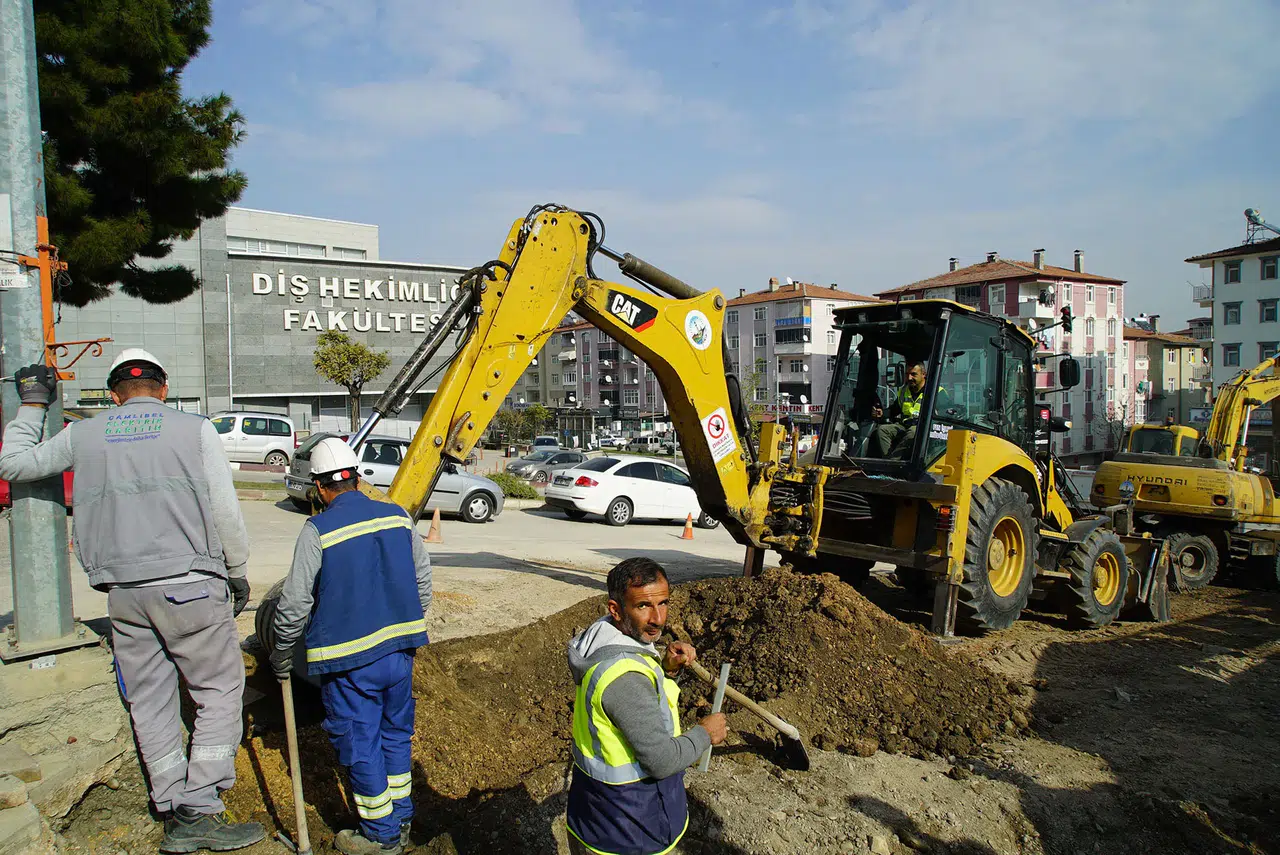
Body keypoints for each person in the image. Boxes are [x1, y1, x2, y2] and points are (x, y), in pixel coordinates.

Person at [0, 351, 261, 853]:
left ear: (114, 394)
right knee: (220, 688)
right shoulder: (194, 430)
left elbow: (13, 464)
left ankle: (169, 801)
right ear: (163, 389)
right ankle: (200, 805)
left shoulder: (85, 434)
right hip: (190, 584)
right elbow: (225, 510)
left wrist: (33, 403)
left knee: (149, 698)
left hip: (124, 595)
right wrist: (237, 570)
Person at [269, 438, 433, 855]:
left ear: (320, 488)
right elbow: (422, 586)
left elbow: (295, 603)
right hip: (399, 654)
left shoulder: (317, 529)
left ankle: (381, 837)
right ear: (358, 480)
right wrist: (398, 623)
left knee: (361, 743)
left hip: (349, 662)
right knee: (395, 736)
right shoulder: (398, 517)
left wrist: (283, 651)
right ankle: (402, 820)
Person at [565, 558, 728, 855]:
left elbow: (630, 703)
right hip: (627, 830)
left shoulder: (602, 637)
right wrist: (706, 733)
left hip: (596, 814)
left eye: (663, 603)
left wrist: (665, 667)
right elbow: (662, 762)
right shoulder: (625, 677)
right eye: (643, 606)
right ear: (615, 609)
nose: (658, 618)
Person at [870, 360, 931, 458]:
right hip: (905, 425)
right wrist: (881, 413)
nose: (909, 378)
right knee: (882, 430)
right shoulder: (904, 391)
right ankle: (887, 460)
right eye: (907, 374)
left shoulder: (935, 392)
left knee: (913, 432)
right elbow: (894, 410)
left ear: (923, 374)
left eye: (913, 374)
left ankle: (894, 462)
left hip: (923, 428)